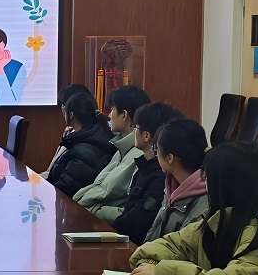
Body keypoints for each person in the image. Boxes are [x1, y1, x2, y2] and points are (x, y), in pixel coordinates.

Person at [128, 142, 258, 275]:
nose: (204, 183)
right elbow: (168, 245)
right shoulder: (218, 222)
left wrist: (160, 273)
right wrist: (148, 266)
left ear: (223, 185)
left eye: (207, 177)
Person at [74, 85, 151, 221]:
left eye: (112, 110)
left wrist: (89, 211)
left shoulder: (139, 155)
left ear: (124, 115)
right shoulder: (120, 148)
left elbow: (124, 209)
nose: (109, 115)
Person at [112, 105, 185, 244]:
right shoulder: (144, 167)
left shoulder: (161, 177)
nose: (134, 131)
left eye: (136, 127)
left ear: (146, 135)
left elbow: (136, 224)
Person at [143, 118, 210, 241]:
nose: (156, 155)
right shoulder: (171, 187)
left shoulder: (204, 204)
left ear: (170, 158)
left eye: (157, 150)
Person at [47, 92, 114, 197]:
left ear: (71, 115)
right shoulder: (93, 135)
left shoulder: (85, 150)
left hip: (66, 203)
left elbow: (64, 189)